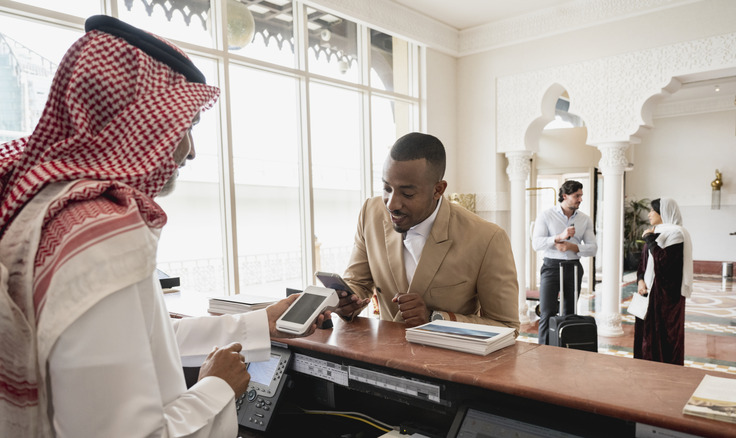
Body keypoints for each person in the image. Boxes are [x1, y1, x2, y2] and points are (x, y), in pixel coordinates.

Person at [0, 16, 327, 437]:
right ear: (135, 119)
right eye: (186, 126)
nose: (190, 151)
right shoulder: (98, 233)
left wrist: (257, 322)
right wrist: (216, 388)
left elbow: (133, 343)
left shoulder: (43, 208)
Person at [334, 132, 520, 332]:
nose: (392, 204)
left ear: (438, 190)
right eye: (387, 188)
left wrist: (435, 318)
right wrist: (347, 301)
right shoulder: (370, 213)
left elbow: (507, 327)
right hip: (382, 357)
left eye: (407, 193)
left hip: (447, 360)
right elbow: (358, 283)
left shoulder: (487, 239)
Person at [531, 180, 597, 345]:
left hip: (574, 267)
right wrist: (558, 238)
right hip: (551, 267)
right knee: (547, 312)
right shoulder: (546, 215)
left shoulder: (585, 219)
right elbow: (536, 243)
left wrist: (572, 246)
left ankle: (566, 349)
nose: (580, 199)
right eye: (577, 196)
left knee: (570, 312)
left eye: (581, 195)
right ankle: (543, 352)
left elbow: (593, 249)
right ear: (564, 196)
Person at [633, 198, 692, 365]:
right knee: (645, 334)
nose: (649, 214)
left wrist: (650, 240)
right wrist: (640, 280)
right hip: (648, 291)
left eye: (653, 210)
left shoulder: (676, 234)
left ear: (663, 212)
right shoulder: (654, 230)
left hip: (667, 296)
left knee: (665, 335)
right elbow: (643, 262)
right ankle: (645, 366)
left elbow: (665, 264)